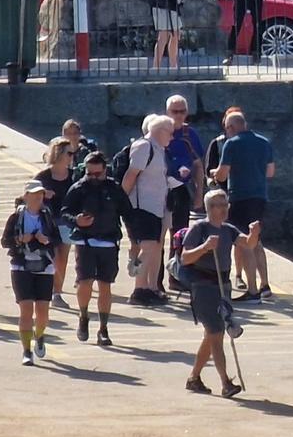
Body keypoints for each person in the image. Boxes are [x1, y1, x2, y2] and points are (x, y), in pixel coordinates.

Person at [180, 188, 257, 397]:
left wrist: (254, 233)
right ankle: (226, 383)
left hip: (223, 287)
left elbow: (248, 244)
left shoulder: (228, 229)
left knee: (212, 335)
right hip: (204, 287)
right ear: (209, 208)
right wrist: (205, 247)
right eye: (219, 205)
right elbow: (185, 258)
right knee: (216, 333)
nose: (224, 209)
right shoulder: (199, 229)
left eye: (225, 205)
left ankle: (194, 378)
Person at [59, 150, 130, 347]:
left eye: (97, 174)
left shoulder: (114, 188)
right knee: (85, 282)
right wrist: (76, 221)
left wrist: (135, 242)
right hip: (85, 242)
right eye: (89, 174)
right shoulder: (79, 188)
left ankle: (103, 328)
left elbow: (128, 213)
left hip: (108, 242)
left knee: (105, 285)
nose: (93, 178)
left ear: (105, 170)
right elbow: (65, 212)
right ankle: (83, 316)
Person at [209, 109, 275, 300]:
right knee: (257, 241)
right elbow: (270, 172)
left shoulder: (231, 144)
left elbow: (222, 174)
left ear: (231, 127)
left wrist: (215, 173)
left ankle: (252, 291)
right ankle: (265, 285)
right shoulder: (264, 142)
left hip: (239, 197)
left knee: (245, 242)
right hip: (260, 197)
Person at [2, 181, 60, 365]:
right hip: (21, 266)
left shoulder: (47, 216)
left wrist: (46, 240)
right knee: (26, 309)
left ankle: (40, 335)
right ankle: (27, 351)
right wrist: (20, 239)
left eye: (40, 195)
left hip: (44, 267)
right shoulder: (16, 217)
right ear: (26, 196)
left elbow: (57, 240)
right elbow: (5, 241)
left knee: (42, 312)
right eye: (34, 195)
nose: (37, 198)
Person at [122, 114, 175, 305]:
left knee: (153, 247)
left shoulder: (158, 148)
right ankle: (139, 288)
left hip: (155, 206)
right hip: (141, 206)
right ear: (159, 131)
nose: (172, 137)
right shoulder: (144, 146)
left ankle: (147, 287)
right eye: (170, 133)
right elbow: (131, 175)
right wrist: (121, 203)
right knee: (149, 247)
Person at [34, 137, 78, 306]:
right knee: (49, 256)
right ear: (59, 154)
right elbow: (28, 192)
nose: (72, 156)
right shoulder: (44, 175)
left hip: (66, 221)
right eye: (69, 153)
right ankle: (45, 290)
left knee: (62, 258)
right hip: (47, 221)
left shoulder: (73, 175)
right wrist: (43, 193)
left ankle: (57, 293)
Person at [163, 95, 207, 242]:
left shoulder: (190, 135)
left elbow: (198, 166)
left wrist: (199, 194)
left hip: (182, 189)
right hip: (160, 188)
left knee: (180, 233)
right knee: (159, 235)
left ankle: (177, 263)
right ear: (167, 112)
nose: (179, 115)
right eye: (175, 111)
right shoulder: (160, 130)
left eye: (182, 111)